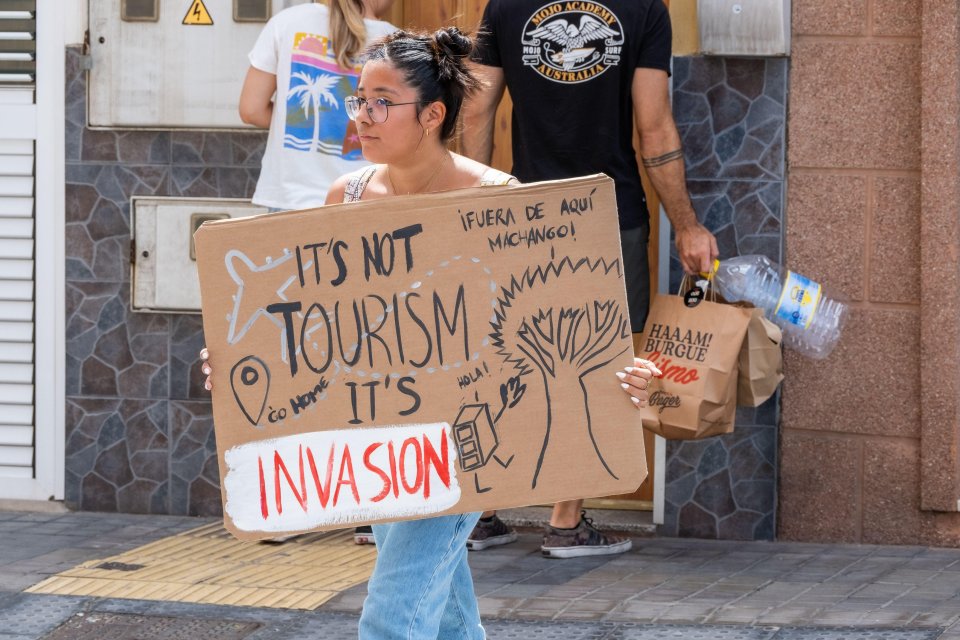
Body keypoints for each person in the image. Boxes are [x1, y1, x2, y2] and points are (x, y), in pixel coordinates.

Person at [203, 27, 663, 638]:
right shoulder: (348, 196)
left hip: (462, 443)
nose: (362, 116)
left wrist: (620, 374)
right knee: (440, 607)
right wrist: (241, 358)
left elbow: (555, 316)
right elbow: (316, 320)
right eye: (359, 99)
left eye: (382, 102)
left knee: (393, 614)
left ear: (433, 114)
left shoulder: (496, 200)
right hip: (376, 438)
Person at [460, 0, 719, 559]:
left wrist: (475, 209)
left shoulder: (505, 4)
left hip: (522, 214)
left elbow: (476, 111)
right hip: (608, 210)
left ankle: (481, 514)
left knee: (502, 355)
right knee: (598, 359)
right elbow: (653, 127)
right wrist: (688, 226)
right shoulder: (645, 6)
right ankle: (565, 521)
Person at [239, 0, 397, 544]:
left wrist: (292, 121)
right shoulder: (391, 38)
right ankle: (367, 511)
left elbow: (252, 108)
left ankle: (282, 513)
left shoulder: (285, 25)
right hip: (362, 208)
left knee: (288, 356)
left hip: (289, 208)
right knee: (364, 354)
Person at [239, 0, 398, 212]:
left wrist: (304, 120)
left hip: (291, 201)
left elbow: (251, 111)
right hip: (363, 203)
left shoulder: (286, 23)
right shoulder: (397, 43)